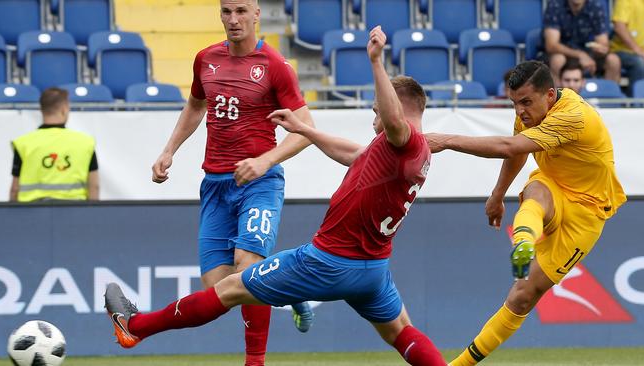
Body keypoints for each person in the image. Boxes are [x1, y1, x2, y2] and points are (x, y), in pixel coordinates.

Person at [105, 25, 446, 366]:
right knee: (400, 332)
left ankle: (136, 327)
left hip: (327, 261)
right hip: (373, 269)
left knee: (229, 289)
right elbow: (353, 155)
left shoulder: (403, 138)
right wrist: (306, 130)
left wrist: (375, 62)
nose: (374, 118)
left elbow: (393, 120)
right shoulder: (411, 152)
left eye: (376, 112)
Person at [425, 60, 626, 365]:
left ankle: (525, 240)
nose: (520, 111)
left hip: (588, 211)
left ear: (550, 94)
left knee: (522, 296)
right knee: (535, 190)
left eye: (526, 102)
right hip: (555, 186)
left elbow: (508, 146)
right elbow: (518, 150)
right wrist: (497, 195)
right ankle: (524, 241)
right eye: (515, 103)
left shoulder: (572, 116)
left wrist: (447, 140)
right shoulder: (531, 113)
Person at [149, 0, 314, 364]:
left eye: (241, 11)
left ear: (257, 13)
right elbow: (196, 105)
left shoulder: (275, 66)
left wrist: (265, 160)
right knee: (219, 288)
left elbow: (306, 130)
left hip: (260, 181)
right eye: (227, 11)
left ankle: (254, 361)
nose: (233, 19)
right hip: (215, 185)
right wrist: (169, 150)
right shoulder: (205, 58)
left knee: (249, 267)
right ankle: (293, 289)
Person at [10, 87, 99, 202]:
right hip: (75, 212)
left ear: (42, 110)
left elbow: (15, 189)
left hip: (32, 213)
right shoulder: (85, 142)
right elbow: (94, 187)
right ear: (64, 110)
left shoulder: (24, 143)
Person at [543, 0, 620, 85]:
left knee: (613, 60)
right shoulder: (555, 5)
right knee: (557, 60)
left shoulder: (596, 6)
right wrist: (580, 55)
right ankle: (558, 96)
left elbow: (602, 42)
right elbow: (551, 45)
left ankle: (610, 95)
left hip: (589, 52)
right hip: (564, 53)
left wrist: (600, 50)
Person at [610, 0, 644, 95]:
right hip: (622, 51)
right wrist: (639, 50)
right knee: (639, 63)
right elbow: (619, 27)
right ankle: (636, 105)